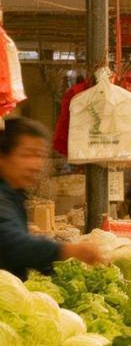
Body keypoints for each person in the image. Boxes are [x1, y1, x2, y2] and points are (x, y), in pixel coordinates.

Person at [0, 117, 102, 277]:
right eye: (27, 155)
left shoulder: (15, 194)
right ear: (2, 156)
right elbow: (12, 244)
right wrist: (66, 250)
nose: (36, 165)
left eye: (40, 156)